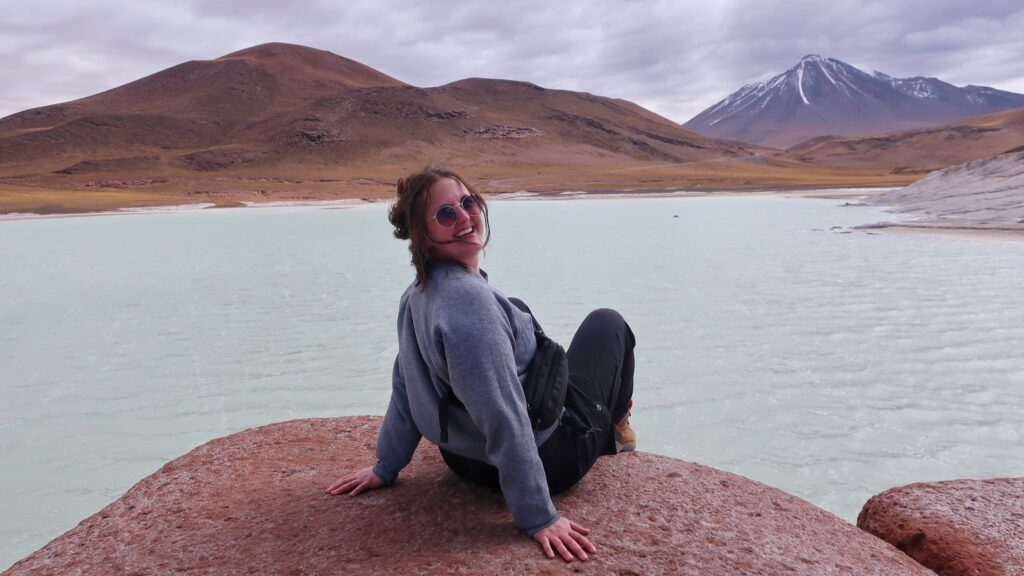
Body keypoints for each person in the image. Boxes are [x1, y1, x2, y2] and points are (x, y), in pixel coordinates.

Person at [326, 165, 637, 562]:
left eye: (467, 202)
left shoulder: (416, 294)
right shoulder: (469, 305)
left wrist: (386, 466)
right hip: (552, 457)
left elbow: (407, 386)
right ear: (422, 235)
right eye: (445, 214)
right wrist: (538, 517)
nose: (465, 217)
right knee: (607, 323)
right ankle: (617, 429)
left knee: (518, 308)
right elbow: (502, 414)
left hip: (464, 459)